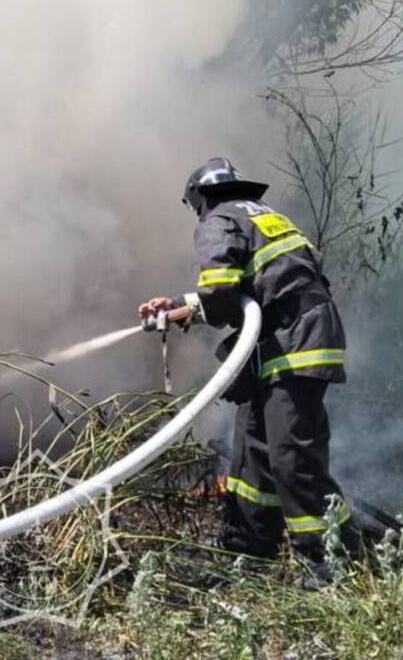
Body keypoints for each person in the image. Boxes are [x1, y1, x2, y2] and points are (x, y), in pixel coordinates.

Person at [138, 157, 359, 578]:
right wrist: (184, 307)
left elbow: (222, 288)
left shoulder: (218, 218)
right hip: (291, 339)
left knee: (293, 460)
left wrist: (193, 307)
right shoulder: (266, 217)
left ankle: (331, 561)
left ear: (200, 198)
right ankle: (248, 550)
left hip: (294, 345)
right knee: (253, 456)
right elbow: (259, 286)